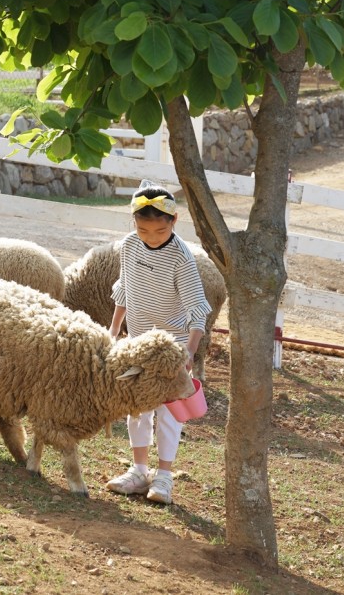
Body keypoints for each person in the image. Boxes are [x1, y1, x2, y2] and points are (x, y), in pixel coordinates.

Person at [105, 180, 211, 504]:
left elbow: (198, 308)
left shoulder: (181, 256)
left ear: (174, 222)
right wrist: (113, 332)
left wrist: (188, 352)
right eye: (143, 230)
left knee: (168, 413)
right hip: (138, 341)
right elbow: (124, 289)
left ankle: (164, 476)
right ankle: (138, 471)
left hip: (171, 348)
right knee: (137, 407)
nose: (151, 238)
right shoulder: (128, 246)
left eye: (160, 232)